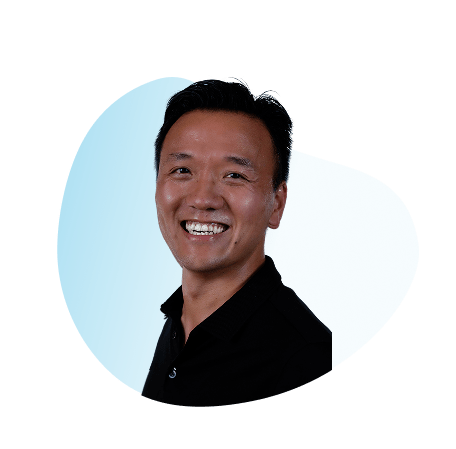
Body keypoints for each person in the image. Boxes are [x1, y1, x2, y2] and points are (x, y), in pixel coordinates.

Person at [141, 78, 332, 407]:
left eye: (234, 175)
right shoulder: (178, 321)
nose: (202, 199)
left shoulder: (308, 357)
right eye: (182, 170)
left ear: (277, 203)